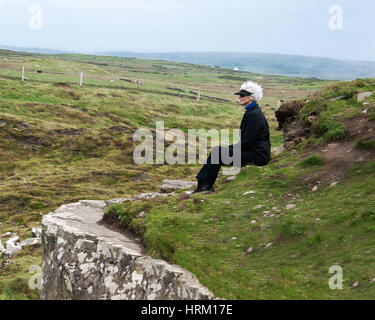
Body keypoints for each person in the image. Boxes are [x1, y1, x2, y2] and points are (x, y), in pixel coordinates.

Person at [193, 80, 271, 193]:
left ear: (252, 97)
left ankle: (205, 186)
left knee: (218, 152)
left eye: (243, 95)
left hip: (258, 156)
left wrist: (229, 148)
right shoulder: (252, 112)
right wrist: (230, 148)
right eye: (240, 95)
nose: (240, 97)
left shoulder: (254, 115)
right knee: (218, 151)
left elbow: (248, 142)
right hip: (255, 152)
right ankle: (204, 184)